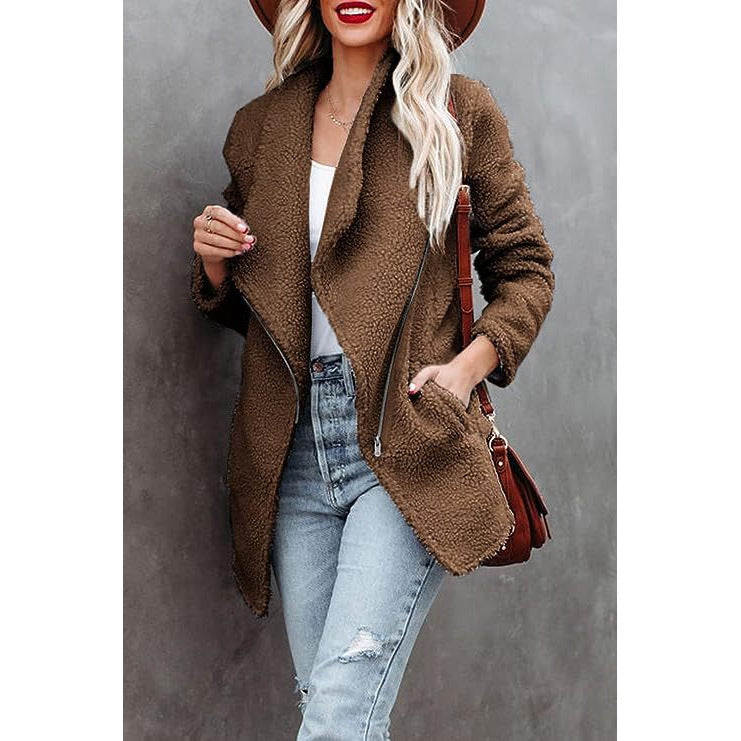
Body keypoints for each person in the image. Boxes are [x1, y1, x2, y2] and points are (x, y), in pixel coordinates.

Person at [190, 0, 554, 737]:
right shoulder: (262, 130)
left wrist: (464, 370)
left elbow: (526, 270)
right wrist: (215, 264)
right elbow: (267, 315)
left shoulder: (456, 111)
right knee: (336, 710)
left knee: (337, 716)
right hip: (291, 451)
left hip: (403, 435)